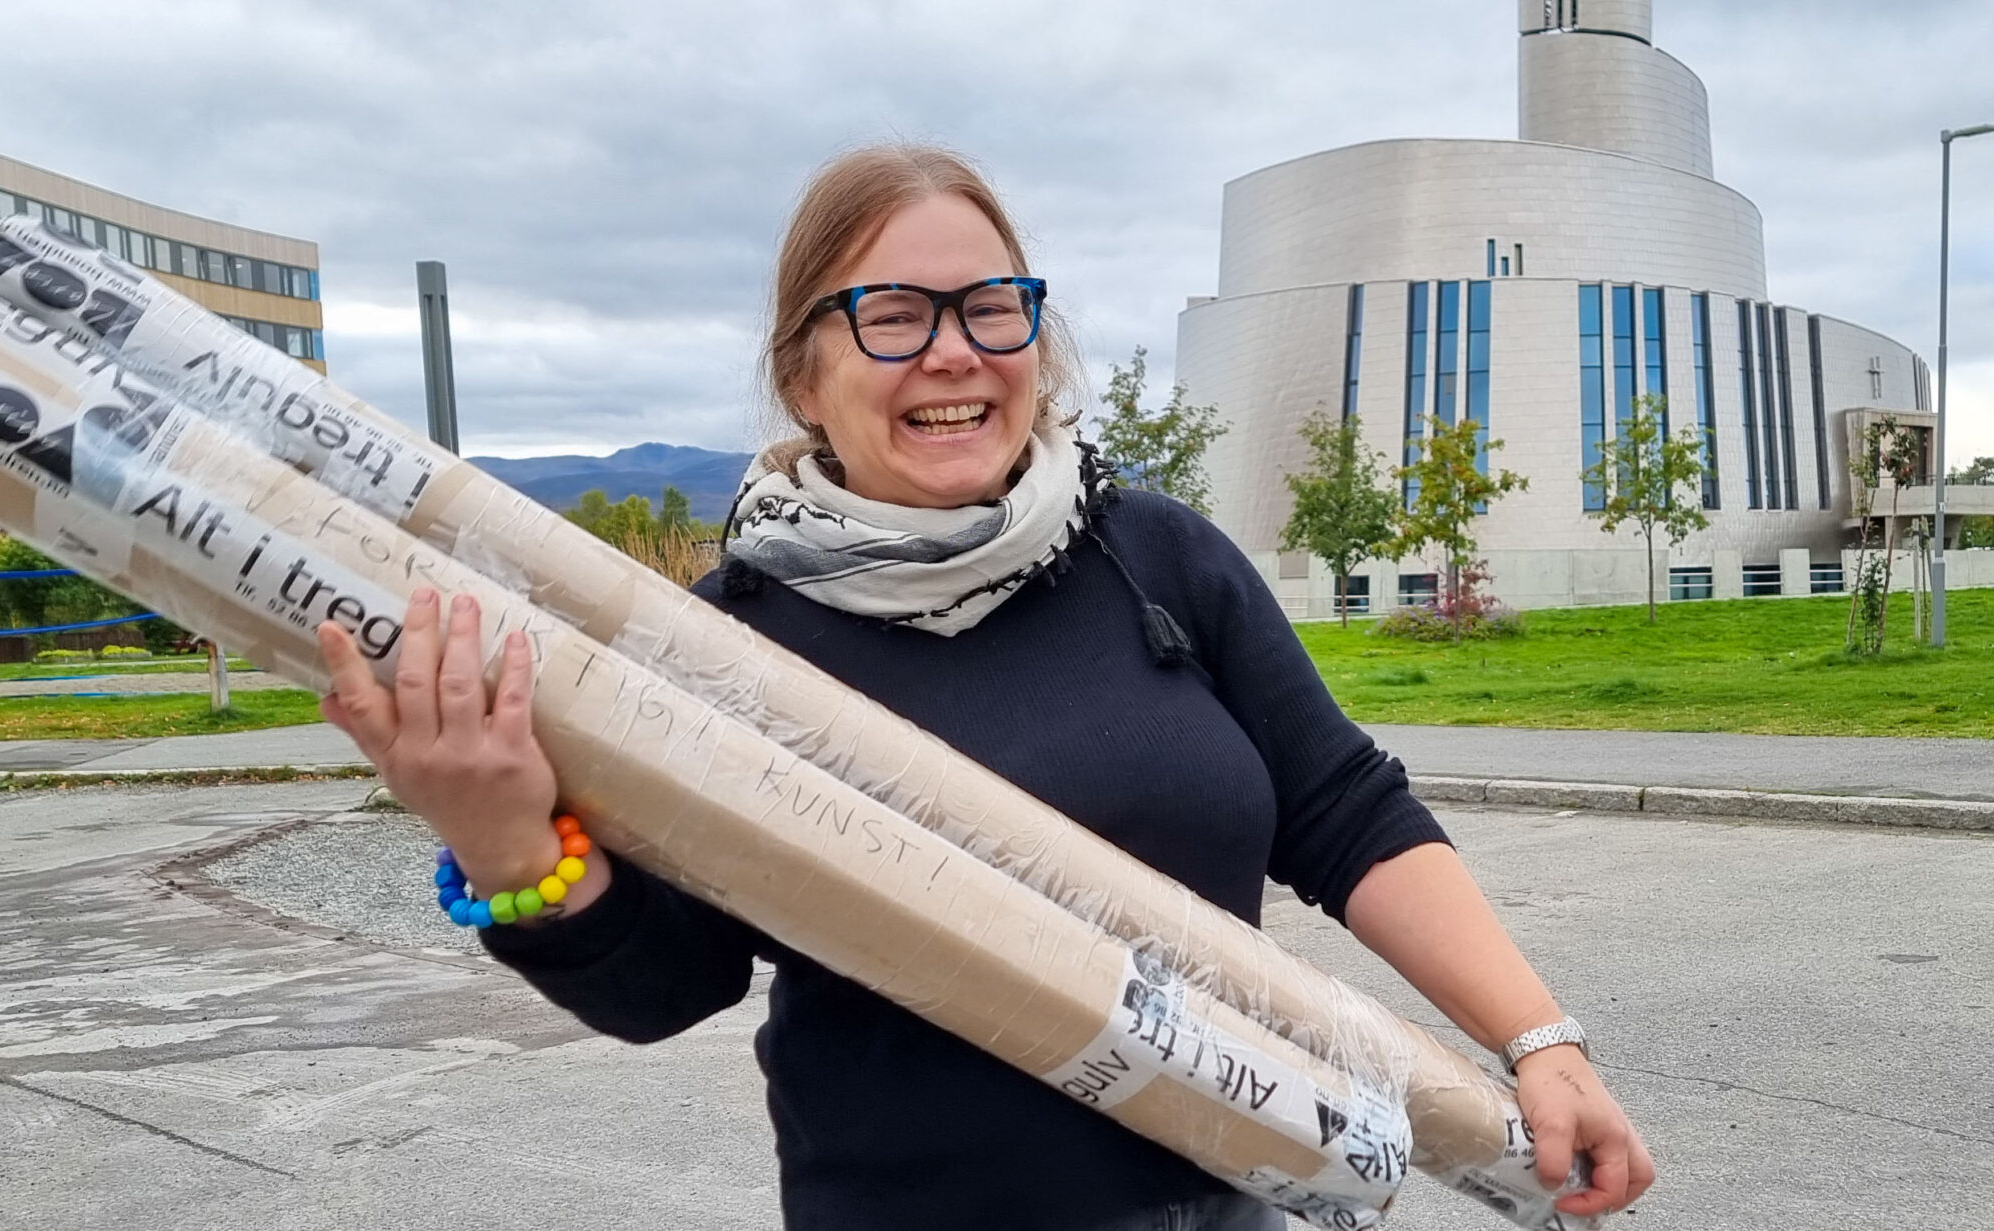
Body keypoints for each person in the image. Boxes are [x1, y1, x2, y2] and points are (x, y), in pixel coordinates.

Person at [315, 144, 1653, 1231]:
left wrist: (1539, 1040)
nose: (953, 352)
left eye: (990, 307)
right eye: (892, 316)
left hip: (1237, 1204)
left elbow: (1343, 811)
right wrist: (504, 844)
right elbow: (670, 985)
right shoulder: (716, 649)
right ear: (803, 376)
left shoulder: (1155, 558)